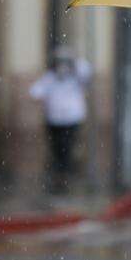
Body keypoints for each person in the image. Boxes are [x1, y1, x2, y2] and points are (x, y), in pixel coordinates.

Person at [30, 46, 93, 191]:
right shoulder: (50, 78)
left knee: (67, 145)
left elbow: (86, 70)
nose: (62, 68)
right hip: (54, 120)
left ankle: (66, 172)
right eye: (60, 63)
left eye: (65, 63)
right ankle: (60, 172)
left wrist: (75, 60)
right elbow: (35, 92)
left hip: (72, 119)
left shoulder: (76, 77)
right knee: (57, 147)